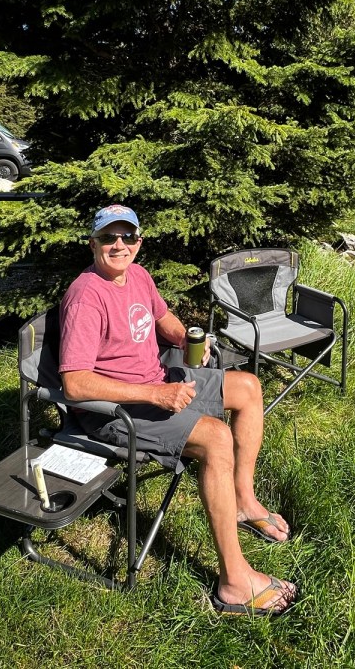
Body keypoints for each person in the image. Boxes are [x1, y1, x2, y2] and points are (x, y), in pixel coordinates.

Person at [58, 204, 297, 616]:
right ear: (92, 242)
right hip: (114, 412)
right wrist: (154, 394)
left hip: (160, 377)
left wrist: (187, 337)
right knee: (216, 438)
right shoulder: (85, 296)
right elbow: (75, 384)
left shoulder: (138, 275)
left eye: (127, 236)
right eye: (108, 237)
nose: (119, 245)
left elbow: (162, 317)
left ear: (139, 241)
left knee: (248, 388)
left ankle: (243, 500)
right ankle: (235, 583)